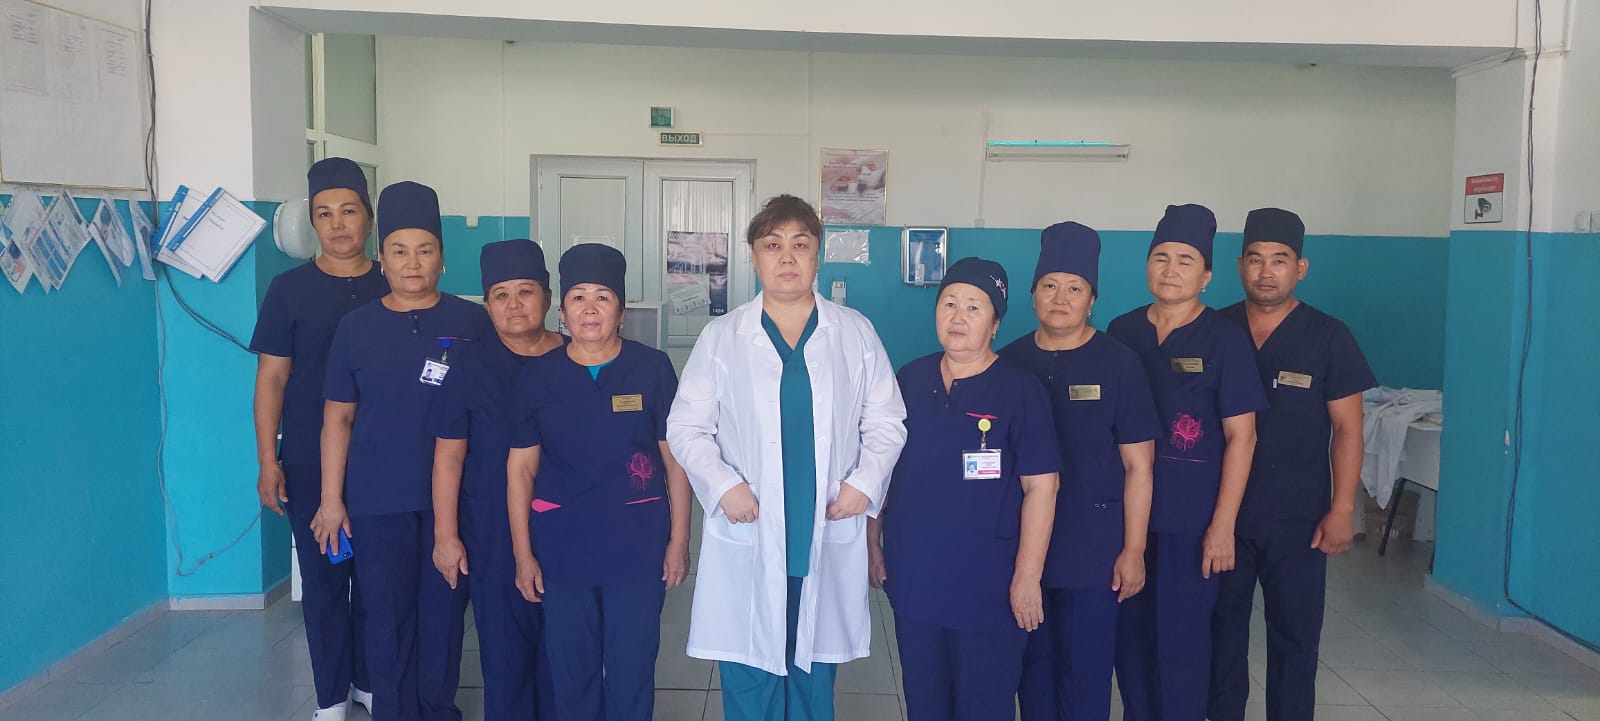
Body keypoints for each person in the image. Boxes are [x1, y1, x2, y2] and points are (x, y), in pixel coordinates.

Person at [667, 194, 908, 721]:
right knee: (749, 677)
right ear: (754, 257)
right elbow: (686, 427)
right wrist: (723, 486)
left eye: (800, 244)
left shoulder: (855, 333)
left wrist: (864, 484)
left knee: (812, 680)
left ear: (818, 255)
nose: (787, 257)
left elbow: (887, 421)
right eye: (772, 245)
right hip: (750, 525)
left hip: (825, 522)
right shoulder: (722, 337)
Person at [313, 181, 489, 721]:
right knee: (385, 618)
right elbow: (338, 417)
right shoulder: (356, 328)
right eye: (399, 251)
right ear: (382, 259)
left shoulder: (471, 322)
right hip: (377, 499)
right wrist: (331, 499)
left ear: (442, 258)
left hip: (453, 501)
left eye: (424, 250)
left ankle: (437, 710)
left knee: (443, 614)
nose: (412, 263)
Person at [504, 243, 692, 721]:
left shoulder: (652, 368)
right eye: (578, 298)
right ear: (562, 312)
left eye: (602, 297)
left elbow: (675, 462)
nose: (590, 309)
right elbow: (521, 470)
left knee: (632, 668)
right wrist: (523, 555)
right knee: (572, 671)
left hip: (637, 543)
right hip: (562, 544)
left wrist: (679, 541)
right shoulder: (538, 377)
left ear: (621, 312)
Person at [872, 257, 1061, 721]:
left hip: (989, 584)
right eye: (949, 303)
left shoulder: (1020, 390)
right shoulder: (910, 380)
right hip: (916, 576)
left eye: (974, 307)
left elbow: (1042, 488)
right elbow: (881, 468)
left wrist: (1027, 577)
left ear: (995, 324)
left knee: (984, 704)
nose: (958, 316)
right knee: (925, 700)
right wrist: (873, 542)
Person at [1209, 209, 1375, 721]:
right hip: (1223, 518)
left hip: (1298, 519)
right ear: (1240, 265)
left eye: (1279, 260)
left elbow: (1348, 429)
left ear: (1299, 268)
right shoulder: (1215, 330)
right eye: (1255, 259)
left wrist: (1343, 508)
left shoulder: (1328, 336)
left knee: (1296, 640)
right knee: (1221, 637)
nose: (1266, 271)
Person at [1105, 204, 1267, 721]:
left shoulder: (1224, 339)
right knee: (1129, 639)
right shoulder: (1122, 331)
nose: (1171, 270)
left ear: (1207, 276)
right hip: (1124, 517)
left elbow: (1242, 437)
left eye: (1185, 260)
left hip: (1190, 521)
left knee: (1182, 642)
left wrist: (1222, 526)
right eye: (1161, 258)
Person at [1000, 222, 1159, 721]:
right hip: (1022, 545)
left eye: (1074, 288)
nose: (1060, 298)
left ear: (1092, 300)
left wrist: (1133, 550)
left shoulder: (1120, 364)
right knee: (1031, 669)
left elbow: (1139, 466)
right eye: (1049, 285)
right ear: (1032, 295)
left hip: (1094, 547)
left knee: (1086, 672)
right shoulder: (1009, 362)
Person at [251, 157, 385, 721]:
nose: (337, 224)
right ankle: (330, 694)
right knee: (326, 578)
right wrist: (268, 459)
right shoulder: (289, 290)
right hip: (309, 457)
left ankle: (369, 680)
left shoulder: (393, 284)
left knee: (377, 580)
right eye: (324, 213)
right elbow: (272, 378)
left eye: (348, 211)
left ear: (368, 217)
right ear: (312, 222)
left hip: (383, 459)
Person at [428, 239, 565, 721]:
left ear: (548, 297)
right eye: (500, 295)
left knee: (566, 655)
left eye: (526, 291)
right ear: (487, 304)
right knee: (506, 657)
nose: (514, 305)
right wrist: (446, 536)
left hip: (569, 528)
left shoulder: (575, 358)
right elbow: (448, 456)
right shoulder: (469, 367)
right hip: (492, 531)